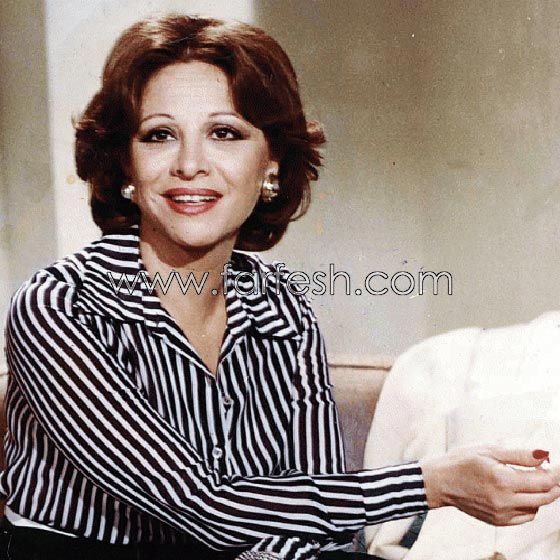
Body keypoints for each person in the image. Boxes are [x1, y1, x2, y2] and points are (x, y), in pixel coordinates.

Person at [1, 13, 559, 560]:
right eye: (159, 135)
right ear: (126, 163)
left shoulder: (282, 308)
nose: (190, 164)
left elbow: (318, 507)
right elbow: (200, 504)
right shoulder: (58, 306)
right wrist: (431, 483)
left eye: (224, 133)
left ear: (270, 163)